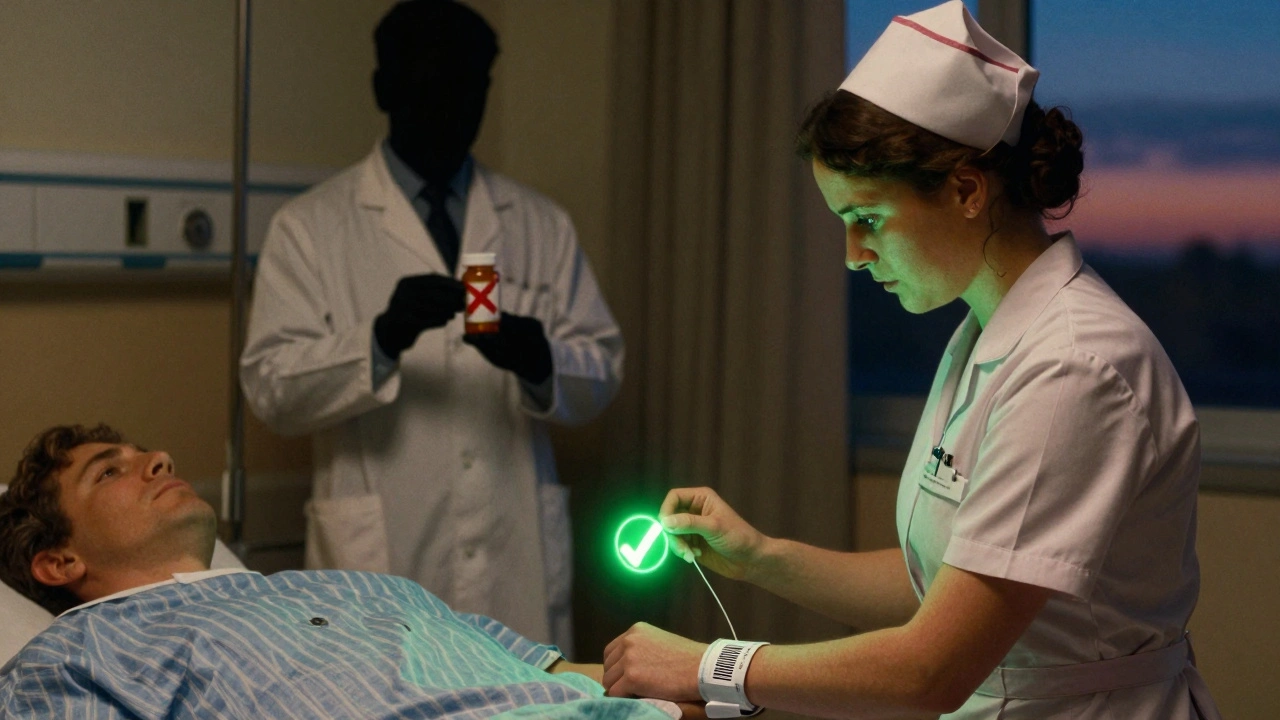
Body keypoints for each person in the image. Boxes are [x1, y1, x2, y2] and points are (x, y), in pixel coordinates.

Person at [599, 3, 1221, 719]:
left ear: (964, 190)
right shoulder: (988, 337)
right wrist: (759, 556)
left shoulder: (1074, 366)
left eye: (866, 221)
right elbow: (950, 582)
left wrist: (707, 666)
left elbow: (931, 669)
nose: (853, 257)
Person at [239, 0, 624, 654]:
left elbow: (602, 369)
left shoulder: (539, 223)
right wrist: (380, 338)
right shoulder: (310, 228)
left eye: (469, 86)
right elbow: (272, 389)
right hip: (378, 565)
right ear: (385, 87)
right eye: (430, 83)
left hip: (513, 563)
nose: (451, 104)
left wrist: (538, 359)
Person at [0, 424, 693, 719]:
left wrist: (717, 679)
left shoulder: (354, 585)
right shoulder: (71, 658)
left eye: (147, 454)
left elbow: (555, 674)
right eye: (110, 471)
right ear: (59, 560)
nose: (158, 462)